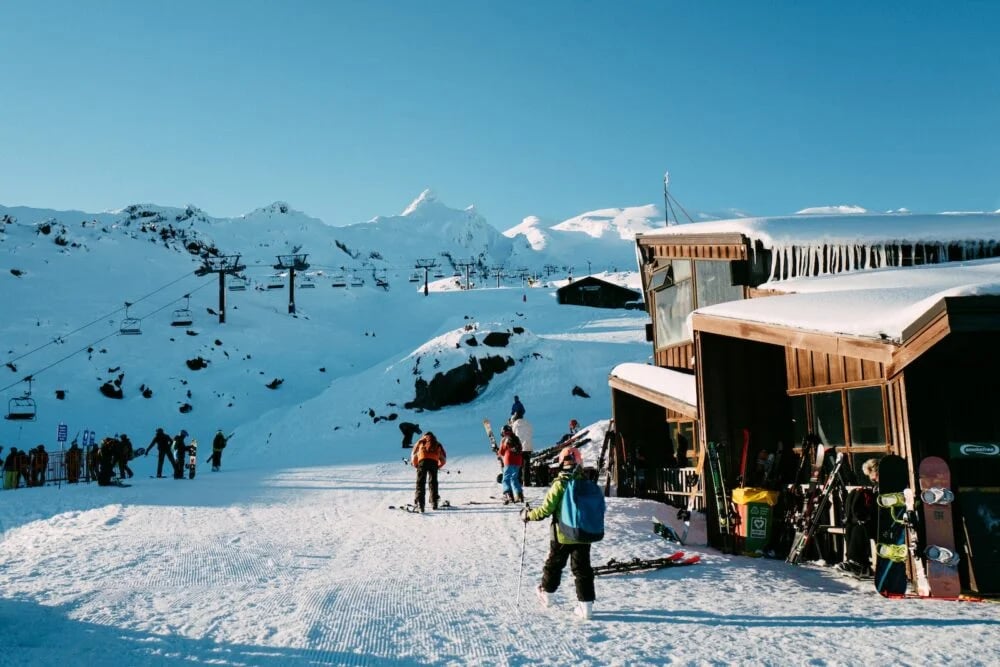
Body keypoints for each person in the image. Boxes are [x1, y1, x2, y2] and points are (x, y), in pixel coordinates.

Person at [522, 446, 595, 620]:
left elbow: (545, 510)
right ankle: (586, 607)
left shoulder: (559, 484)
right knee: (582, 569)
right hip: (583, 535)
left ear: (562, 463)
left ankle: (547, 594)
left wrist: (527, 515)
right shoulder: (586, 484)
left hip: (562, 535)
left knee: (554, 566)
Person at [411, 431, 447, 512]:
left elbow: (414, 455)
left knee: (420, 483)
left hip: (422, 462)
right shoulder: (437, 444)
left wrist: (416, 465)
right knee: (433, 482)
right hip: (434, 462)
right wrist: (438, 466)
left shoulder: (420, 442)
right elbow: (443, 459)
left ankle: (420, 504)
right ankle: (434, 503)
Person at [498, 424, 524, 504]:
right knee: (514, 478)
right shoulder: (516, 438)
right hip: (518, 461)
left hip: (509, 461)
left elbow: (501, 452)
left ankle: (508, 494)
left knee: (506, 479)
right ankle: (519, 495)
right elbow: (520, 448)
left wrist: (497, 451)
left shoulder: (504, 439)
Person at [510, 414, 534, 486]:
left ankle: (519, 481)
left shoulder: (515, 425)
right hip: (528, 446)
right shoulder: (528, 423)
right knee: (526, 466)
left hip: (519, 447)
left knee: (519, 464)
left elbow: (512, 435)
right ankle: (527, 482)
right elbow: (531, 432)